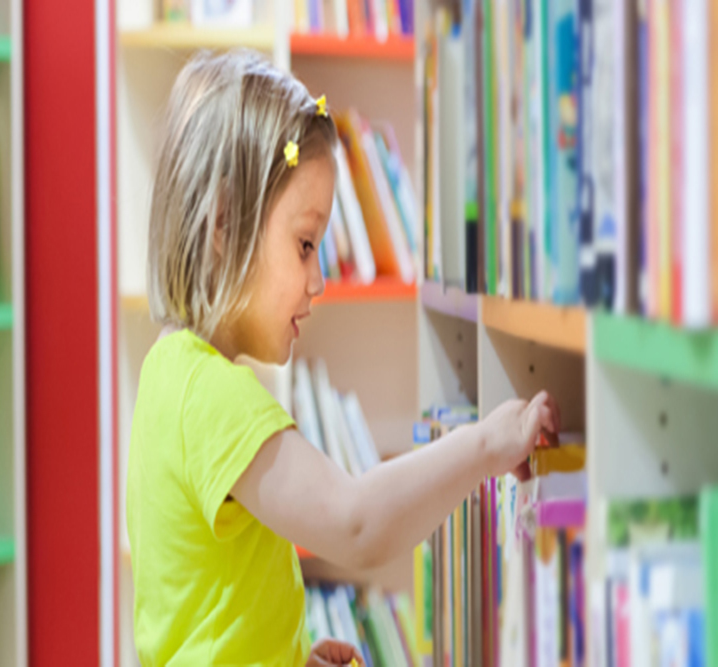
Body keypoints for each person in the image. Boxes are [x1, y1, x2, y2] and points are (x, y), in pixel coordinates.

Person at [126, 49, 560, 667]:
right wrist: (490, 444)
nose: (319, 278)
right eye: (304, 244)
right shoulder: (211, 396)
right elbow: (356, 523)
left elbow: (201, 616)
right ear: (224, 223)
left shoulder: (168, 377)